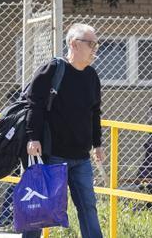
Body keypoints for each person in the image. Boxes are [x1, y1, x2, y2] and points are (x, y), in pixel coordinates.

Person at [23, 23, 105, 238]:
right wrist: (33, 138)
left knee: (88, 207)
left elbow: (95, 112)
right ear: (74, 44)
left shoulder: (91, 76)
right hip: (54, 154)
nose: (95, 49)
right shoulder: (53, 70)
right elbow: (35, 105)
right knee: (41, 207)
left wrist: (97, 144)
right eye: (91, 44)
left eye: (96, 44)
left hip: (81, 157)